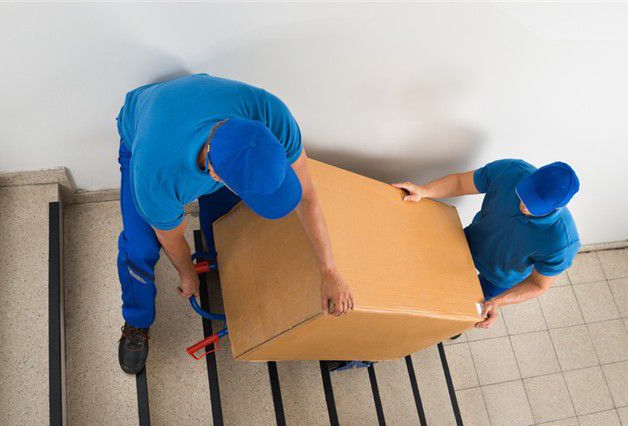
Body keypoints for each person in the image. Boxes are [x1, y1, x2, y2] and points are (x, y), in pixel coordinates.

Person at [115, 74, 353, 374]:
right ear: (216, 176)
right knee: (139, 246)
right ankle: (136, 321)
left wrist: (329, 269)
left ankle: (218, 260)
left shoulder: (271, 115)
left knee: (227, 223)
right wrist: (187, 274)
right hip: (141, 133)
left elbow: (306, 196)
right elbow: (171, 238)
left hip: (192, 115)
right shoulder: (157, 177)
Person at [393, 159, 580, 328]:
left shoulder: (562, 243)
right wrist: (424, 191)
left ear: (557, 207)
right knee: (430, 277)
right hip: (470, 241)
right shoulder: (510, 171)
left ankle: (450, 328)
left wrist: (498, 301)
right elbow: (460, 183)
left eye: (535, 206)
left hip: (499, 277)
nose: (524, 205)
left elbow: (538, 285)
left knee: (462, 312)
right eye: (524, 194)